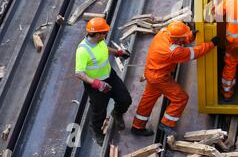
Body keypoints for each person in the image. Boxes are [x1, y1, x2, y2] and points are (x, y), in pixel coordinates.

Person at [132, 21, 219, 137]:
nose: (184, 38)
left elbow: (179, 39)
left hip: (151, 73)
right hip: (160, 78)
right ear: (176, 38)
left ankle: (137, 126)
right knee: (181, 98)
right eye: (183, 36)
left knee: (148, 100)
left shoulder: (163, 32)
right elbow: (194, 53)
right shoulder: (173, 51)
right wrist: (211, 44)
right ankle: (166, 124)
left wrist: (191, 35)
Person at [75, 17, 132, 145]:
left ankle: (117, 113)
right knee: (99, 111)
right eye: (104, 32)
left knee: (125, 99)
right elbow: (79, 73)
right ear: (98, 34)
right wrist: (97, 83)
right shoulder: (83, 51)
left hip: (109, 76)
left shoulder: (100, 40)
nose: (106, 34)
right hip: (95, 85)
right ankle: (97, 131)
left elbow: (105, 49)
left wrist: (118, 52)